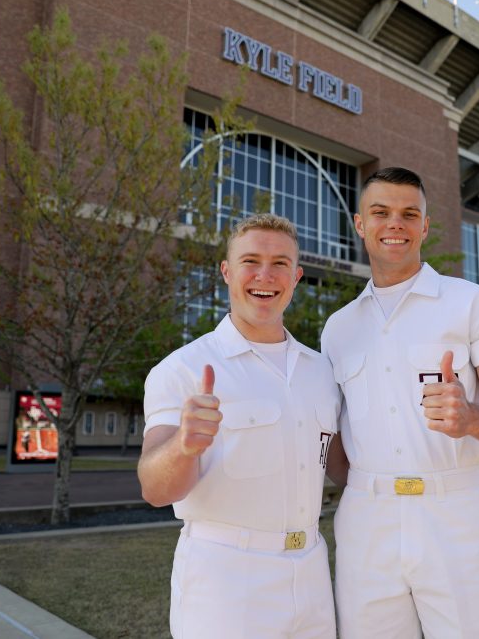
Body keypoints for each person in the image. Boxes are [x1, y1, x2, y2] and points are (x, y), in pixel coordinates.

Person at [321, 167, 479, 639]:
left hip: (453, 514)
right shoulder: (337, 328)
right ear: (360, 224)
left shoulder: (475, 305)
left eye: (408, 214)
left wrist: (473, 417)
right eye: (381, 212)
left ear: (424, 226)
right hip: (364, 520)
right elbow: (335, 436)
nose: (394, 223)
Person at [138, 213, 339, 639]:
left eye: (280, 263)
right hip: (227, 580)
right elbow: (155, 489)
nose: (265, 275)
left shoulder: (321, 371)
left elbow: (341, 465)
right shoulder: (183, 369)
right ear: (227, 272)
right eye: (251, 261)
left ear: (297, 276)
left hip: (313, 573)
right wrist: (184, 447)